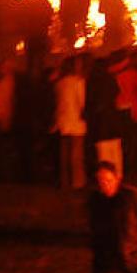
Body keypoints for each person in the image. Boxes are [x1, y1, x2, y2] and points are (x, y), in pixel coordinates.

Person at [53, 55, 88, 189]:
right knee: (76, 155)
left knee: (64, 155)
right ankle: (78, 182)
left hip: (63, 122)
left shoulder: (60, 83)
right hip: (76, 123)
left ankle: (65, 182)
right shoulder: (79, 82)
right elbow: (82, 103)